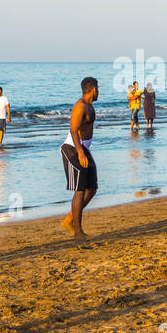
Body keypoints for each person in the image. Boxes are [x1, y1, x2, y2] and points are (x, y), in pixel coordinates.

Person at [61, 77, 99, 240]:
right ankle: (77, 231)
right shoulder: (80, 106)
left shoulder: (90, 106)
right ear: (94, 89)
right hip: (72, 149)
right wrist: (80, 152)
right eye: (98, 89)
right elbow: (73, 130)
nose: (99, 92)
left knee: (92, 188)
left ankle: (70, 218)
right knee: (80, 189)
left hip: (83, 148)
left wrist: (84, 150)